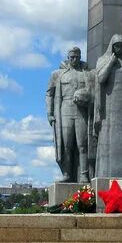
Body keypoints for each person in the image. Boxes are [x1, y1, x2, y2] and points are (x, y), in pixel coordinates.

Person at [93, 34, 122, 178]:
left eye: (121, 46)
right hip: (109, 105)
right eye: (116, 46)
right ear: (112, 46)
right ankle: (106, 173)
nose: (118, 48)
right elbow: (100, 78)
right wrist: (111, 62)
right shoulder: (103, 60)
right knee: (108, 139)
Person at [45, 46, 92, 183]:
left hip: (81, 112)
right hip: (64, 111)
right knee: (66, 145)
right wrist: (50, 112)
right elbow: (49, 94)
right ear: (68, 57)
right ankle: (67, 174)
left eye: (77, 56)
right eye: (72, 57)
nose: (74, 59)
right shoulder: (58, 74)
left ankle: (83, 174)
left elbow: (93, 91)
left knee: (83, 144)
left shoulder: (86, 74)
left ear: (80, 57)